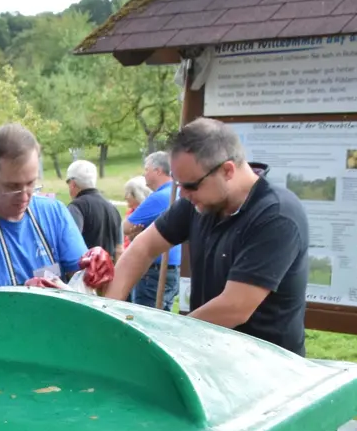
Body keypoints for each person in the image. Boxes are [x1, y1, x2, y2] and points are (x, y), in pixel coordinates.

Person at [103, 118, 310, 355]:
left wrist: (164, 340)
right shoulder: (199, 203)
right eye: (179, 184)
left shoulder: (276, 216)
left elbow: (234, 307)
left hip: (268, 369)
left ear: (227, 170)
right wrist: (109, 311)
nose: (183, 194)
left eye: (191, 185)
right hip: (213, 356)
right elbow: (143, 248)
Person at [0, 123, 111, 292]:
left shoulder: (54, 213)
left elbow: (86, 290)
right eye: (12, 186)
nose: (24, 196)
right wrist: (25, 298)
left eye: (31, 183)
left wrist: (96, 271)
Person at [122, 151, 184, 312]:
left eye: (147, 169)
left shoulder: (160, 197)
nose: (144, 174)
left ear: (158, 171)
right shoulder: (179, 192)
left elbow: (126, 227)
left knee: (145, 320)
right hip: (174, 268)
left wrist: (136, 234)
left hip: (154, 273)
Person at [64, 159, 122, 261]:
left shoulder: (76, 207)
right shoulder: (113, 208)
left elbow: (70, 244)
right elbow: (119, 250)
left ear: (73, 184)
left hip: (87, 272)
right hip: (109, 271)